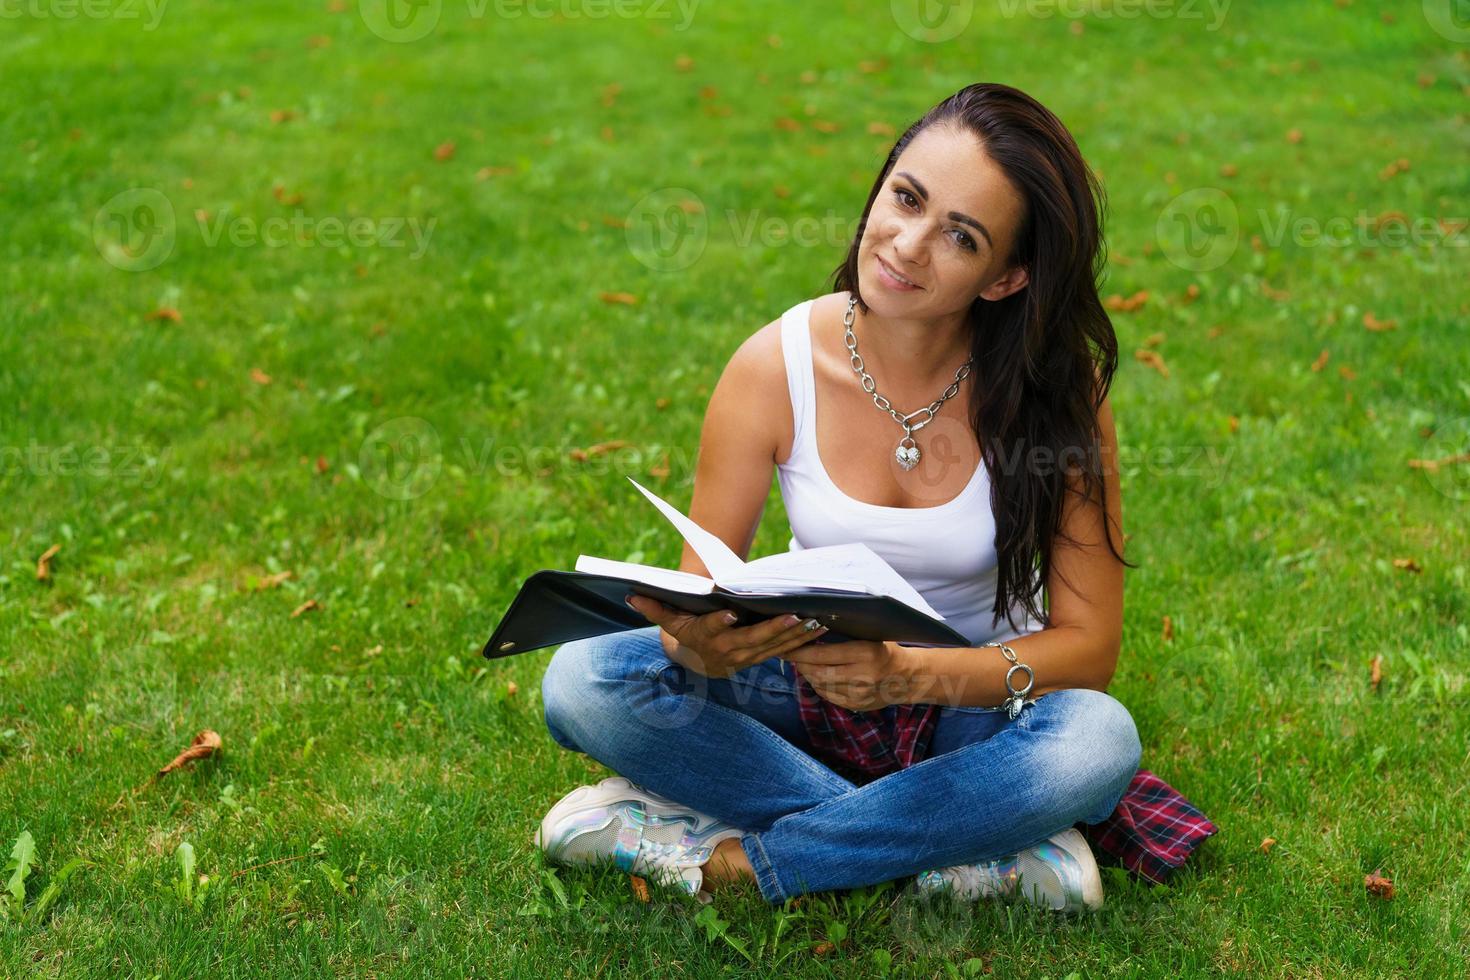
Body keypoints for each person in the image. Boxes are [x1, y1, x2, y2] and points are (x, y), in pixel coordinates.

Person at [536, 82, 1147, 911]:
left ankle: (742, 859)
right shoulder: (773, 365)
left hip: (973, 708)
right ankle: (973, 842)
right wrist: (699, 649)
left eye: (959, 237)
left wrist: (910, 677)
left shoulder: (1060, 393)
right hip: (804, 682)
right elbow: (697, 595)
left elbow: (1088, 650)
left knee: (1096, 742)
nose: (906, 245)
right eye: (906, 198)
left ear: (1005, 278)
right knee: (582, 677)